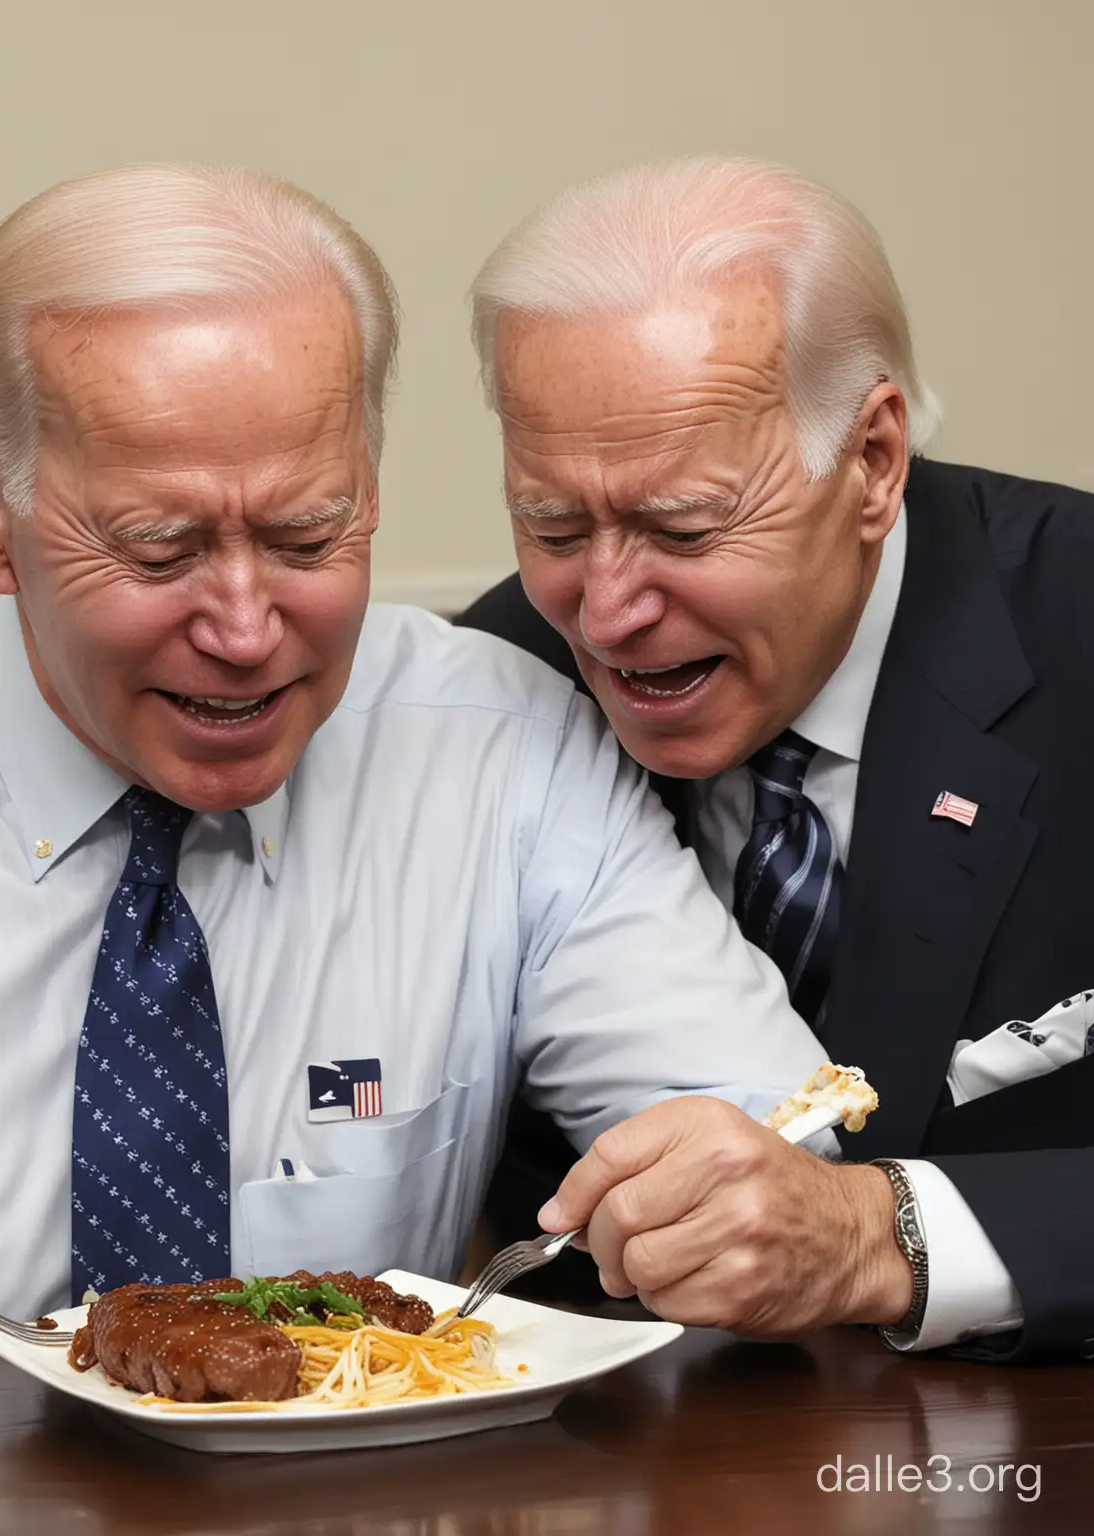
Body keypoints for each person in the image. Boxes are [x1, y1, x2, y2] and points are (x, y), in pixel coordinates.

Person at [0, 163, 841, 1468]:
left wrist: (752, 1204)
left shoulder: (504, 756)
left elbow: (785, 1164)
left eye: (308, 535)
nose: (244, 632)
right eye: (158, 548)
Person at [458, 156, 1094, 1360]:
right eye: (550, 525)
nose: (603, 614)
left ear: (872, 462)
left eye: (683, 527)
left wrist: (879, 1237)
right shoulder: (501, 688)